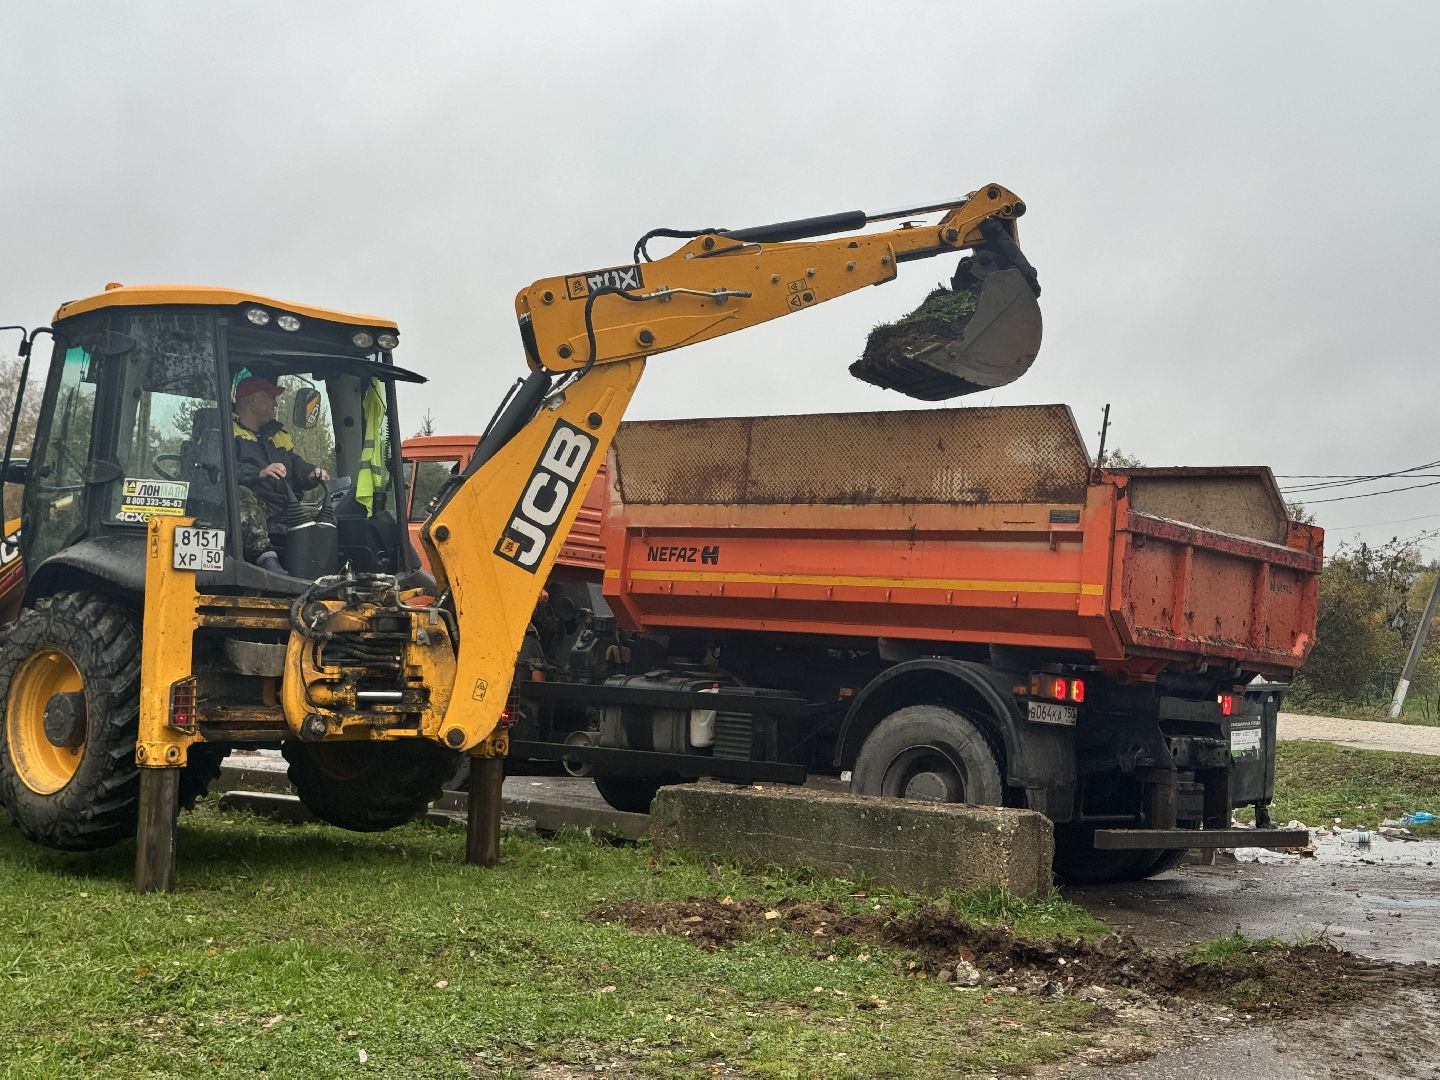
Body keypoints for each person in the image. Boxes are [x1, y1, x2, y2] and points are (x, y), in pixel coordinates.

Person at [232, 375, 329, 572]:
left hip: (283, 506)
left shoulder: (277, 435)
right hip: (252, 506)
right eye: (271, 397)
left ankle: (323, 567)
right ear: (252, 400)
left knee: (326, 518)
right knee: (240, 493)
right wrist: (259, 473)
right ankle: (266, 559)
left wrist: (310, 473)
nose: (276, 404)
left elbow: (295, 464)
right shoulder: (225, 431)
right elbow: (220, 467)